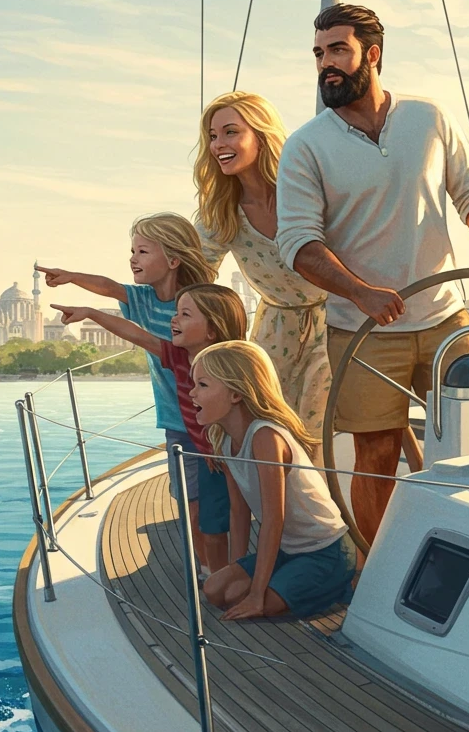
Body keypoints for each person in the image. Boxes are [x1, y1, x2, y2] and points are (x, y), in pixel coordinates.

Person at [276, 2, 469, 545]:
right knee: (377, 454)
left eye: (338, 50)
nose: (325, 64)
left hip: (444, 316)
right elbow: (298, 243)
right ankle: (376, 568)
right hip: (363, 329)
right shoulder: (305, 146)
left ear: (372, 55)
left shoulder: (427, 117)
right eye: (318, 53)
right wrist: (359, 292)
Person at [37, 214, 214, 554]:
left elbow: (146, 340)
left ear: (174, 260)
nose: (132, 258)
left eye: (143, 251)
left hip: (211, 418)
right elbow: (109, 286)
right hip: (177, 421)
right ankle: (202, 564)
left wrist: (90, 312)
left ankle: (211, 563)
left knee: (215, 496)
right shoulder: (142, 300)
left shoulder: (198, 303)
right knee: (188, 498)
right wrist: (71, 277)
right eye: (132, 251)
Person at [52, 284, 248, 573]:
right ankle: (212, 572)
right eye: (176, 312)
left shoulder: (237, 364)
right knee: (201, 515)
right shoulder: (179, 357)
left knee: (230, 514)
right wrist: (91, 313)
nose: (174, 319)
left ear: (212, 331)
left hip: (232, 453)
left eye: (184, 314)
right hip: (202, 450)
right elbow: (134, 334)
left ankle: (235, 572)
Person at [194, 91, 331, 451]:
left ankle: (315, 505)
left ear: (262, 134)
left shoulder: (307, 189)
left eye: (230, 132)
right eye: (212, 136)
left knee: (316, 428)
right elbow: (195, 277)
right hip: (274, 328)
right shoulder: (221, 211)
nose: (218, 144)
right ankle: (269, 505)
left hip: (335, 320)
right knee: (265, 424)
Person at [191, 341, 357, 621]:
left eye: (203, 385)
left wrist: (255, 594)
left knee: (259, 604)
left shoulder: (266, 437)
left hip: (325, 551)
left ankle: (343, 583)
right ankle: (293, 584)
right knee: (217, 590)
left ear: (235, 394)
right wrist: (237, 568)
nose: (192, 393)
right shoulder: (225, 441)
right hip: (288, 551)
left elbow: (273, 519)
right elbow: (238, 513)